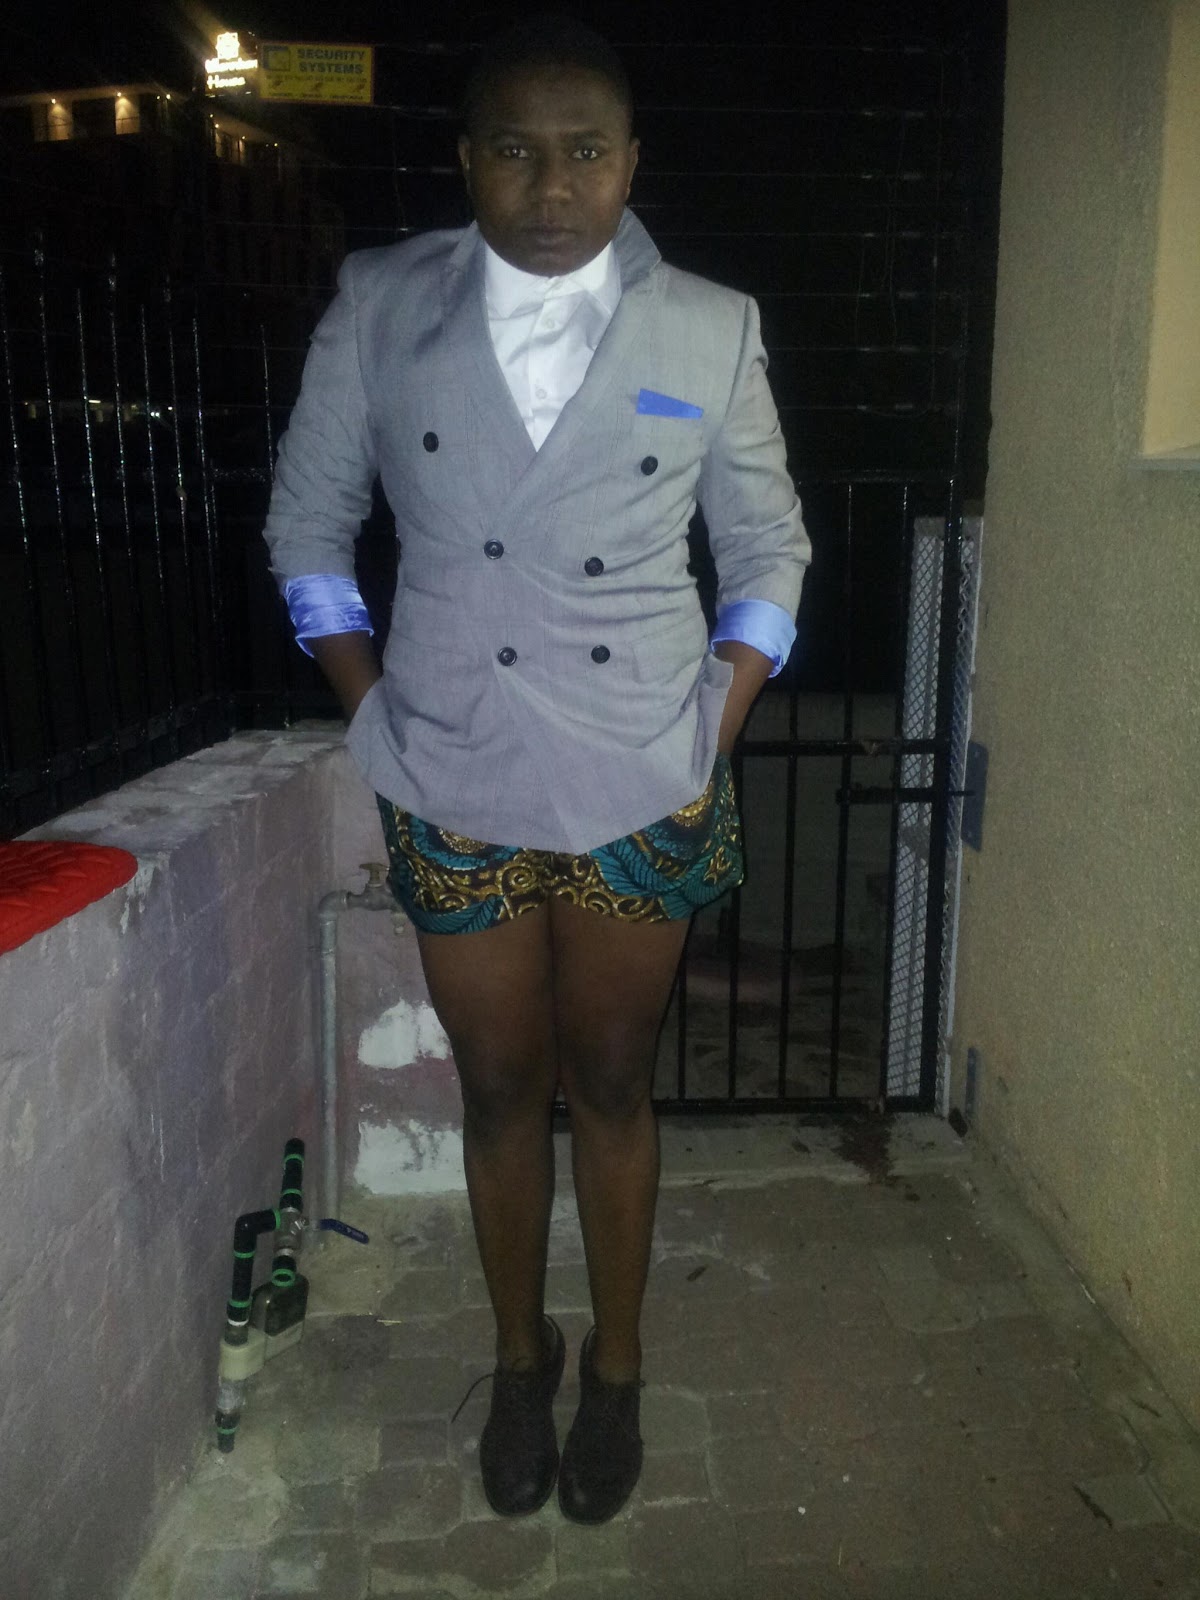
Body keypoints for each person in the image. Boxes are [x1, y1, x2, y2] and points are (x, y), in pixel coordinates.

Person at [263, 15, 809, 1525]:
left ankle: (616, 1367)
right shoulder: (382, 301)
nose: (552, 185)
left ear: (630, 163)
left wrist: (715, 722)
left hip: (644, 772)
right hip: (451, 768)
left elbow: (769, 551)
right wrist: (371, 708)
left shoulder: (712, 325)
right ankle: (522, 1357)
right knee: (500, 1085)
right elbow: (308, 530)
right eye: (515, 149)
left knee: (614, 1081)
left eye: (585, 152)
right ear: (466, 160)